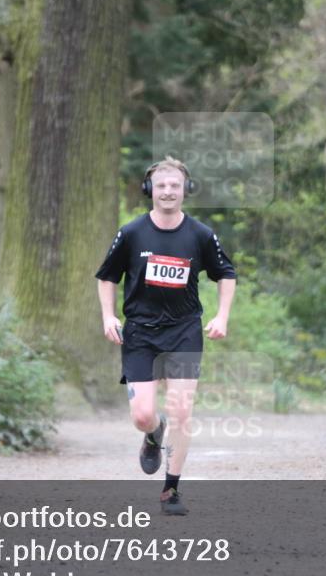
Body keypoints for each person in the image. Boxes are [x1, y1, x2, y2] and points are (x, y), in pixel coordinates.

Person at [95, 156, 237, 515]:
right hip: (141, 332)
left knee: (181, 411)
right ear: (150, 190)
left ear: (185, 190)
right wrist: (108, 316)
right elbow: (107, 276)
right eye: (161, 185)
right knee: (143, 415)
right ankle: (152, 434)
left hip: (184, 331)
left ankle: (170, 490)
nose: (168, 191)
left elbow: (226, 274)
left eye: (175, 185)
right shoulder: (131, 233)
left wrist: (222, 316)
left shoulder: (201, 235)